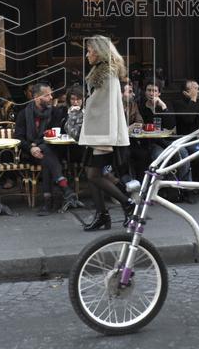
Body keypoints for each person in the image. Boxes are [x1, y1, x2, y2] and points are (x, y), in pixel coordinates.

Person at [78, 36, 133, 231]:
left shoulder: (107, 74)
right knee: (92, 173)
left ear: (99, 52)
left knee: (94, 175)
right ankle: (102, 214)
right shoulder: (102, 72)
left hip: (101, 134)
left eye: (89, 50)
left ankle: (128, 204)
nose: (87, 54)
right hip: (97, 132)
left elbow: (105, 107)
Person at [16, 82, 76, 215]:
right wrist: (31, 148)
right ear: (37, 98)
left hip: (50, 150)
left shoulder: (56, 112)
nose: (51, 97)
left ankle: (47, 203)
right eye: (47, 95)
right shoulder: (23, 114)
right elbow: (19, 138)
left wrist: (35, 145)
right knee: (46, 155)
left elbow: (54, 134)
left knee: (46, 155)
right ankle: (64, 187)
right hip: (30, 154)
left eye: (51, 94)